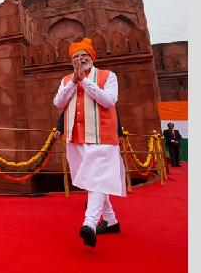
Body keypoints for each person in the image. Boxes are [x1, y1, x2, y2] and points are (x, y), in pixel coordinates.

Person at [53, 38, 126, 248]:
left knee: (96, 178)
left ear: (92, 57)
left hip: (102, 136)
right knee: (93, 180)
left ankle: (90, 224)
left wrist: (85, 81)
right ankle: (111, 221)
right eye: (76, 56)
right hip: (76, 137)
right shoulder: (67, 80)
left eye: (84, 55)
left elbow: (109, 101)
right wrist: (73, 82)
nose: (80, 59)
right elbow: (58, 103)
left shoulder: (108, 76)